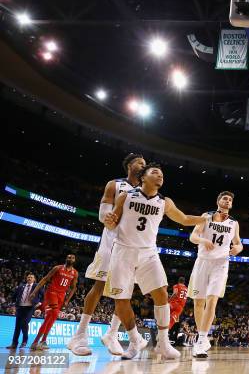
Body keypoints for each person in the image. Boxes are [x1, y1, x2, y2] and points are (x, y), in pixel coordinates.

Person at [103, 163, 208, 360]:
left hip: (148, 253)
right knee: (121, 300)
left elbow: (184, 219)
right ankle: (134, 341)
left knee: (161, 293)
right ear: (143, 177)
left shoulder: (164, 202)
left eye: (161, 174)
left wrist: (205, 220)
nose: (160, 176)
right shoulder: (126, 196)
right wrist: (109, 220)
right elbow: (113, 221)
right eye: (154, 172)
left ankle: (163, 343)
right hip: (123, 250)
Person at [68, 153, 145, 356]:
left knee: (125, 292)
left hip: (132, 247)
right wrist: (108, 217)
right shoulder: (115, 184)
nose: (143, 165)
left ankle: (111, 333)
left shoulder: (146, 193)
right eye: (140, 162)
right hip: (111, 243)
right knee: (99, 286)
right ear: (129, 165)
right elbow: (103, 214)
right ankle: (79, 335)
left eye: (145, 164)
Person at [188, 191, 243, 358]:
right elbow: (193, 236)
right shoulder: (206, 216)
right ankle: (202, 337)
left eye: (230, 199)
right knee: (199, 303)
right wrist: (203, 240)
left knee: (211, 302)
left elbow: (239, 243)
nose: (227, 201)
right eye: (224, 198)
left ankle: (201, 341)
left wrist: (237, 249)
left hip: (221, 264)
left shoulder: (234, 223)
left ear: (231, 204)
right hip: (203, 261)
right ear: (218, 201)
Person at [29, 254, 78, 350]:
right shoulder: (57, 268)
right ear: (66, 259)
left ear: (74, 260)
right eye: (68, 257)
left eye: (72, 258)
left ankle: (38, 342)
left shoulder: (75, 273)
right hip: (51, 293)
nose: (70, 259)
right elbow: (45, 279)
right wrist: (34, 291)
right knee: (54, 313)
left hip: (61, 296)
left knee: (51, 318)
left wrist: (67, 300)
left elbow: (73, 288)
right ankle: (41, 341)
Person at [7, 273, 42, 349]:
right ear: (26, 278)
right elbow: (14, 296)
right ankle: (14, 343)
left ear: (34, 279)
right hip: (20, 308)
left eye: (31, 277)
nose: (29, 278)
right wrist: (13, 303)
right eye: (28, 277)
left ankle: (24, 341)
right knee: (17, 327)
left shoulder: (36, 286)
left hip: (29, 308)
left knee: (24, 323)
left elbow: (43, 295)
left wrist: (40, 303)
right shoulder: (21, 286)